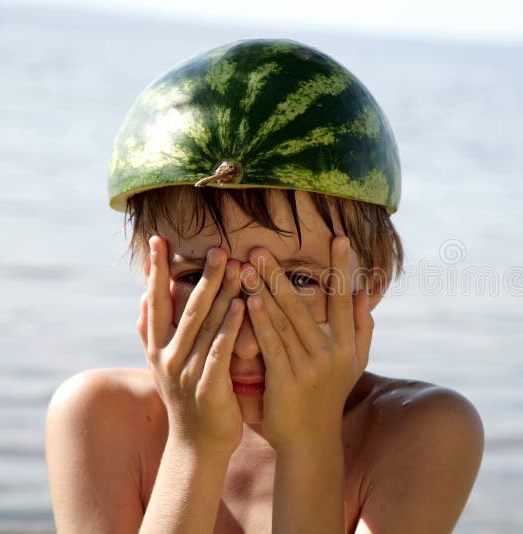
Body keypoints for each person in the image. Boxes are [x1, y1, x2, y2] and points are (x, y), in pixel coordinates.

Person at [45, 39, 484, 533]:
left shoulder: (422, 433)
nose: (246, 343)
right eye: (199, 278)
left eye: (297, 280)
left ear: (369, 285)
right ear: (153, 277)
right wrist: (194, 445)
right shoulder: (97, 418)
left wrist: (309, 440)